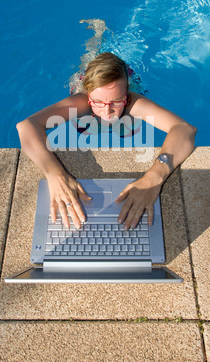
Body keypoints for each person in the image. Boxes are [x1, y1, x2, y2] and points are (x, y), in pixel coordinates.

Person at [16, 52, 197, 231]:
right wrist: (55, 174)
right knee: (88, 59)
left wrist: (155, 176)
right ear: (88, 96)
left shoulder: (132, 103)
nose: (107, 111)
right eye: (98, 102)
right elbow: (26, 126)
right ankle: (96, 35)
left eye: (116, 101)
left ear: (126, 96)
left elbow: (184, 129)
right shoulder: (81, 102)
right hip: (87, 91)